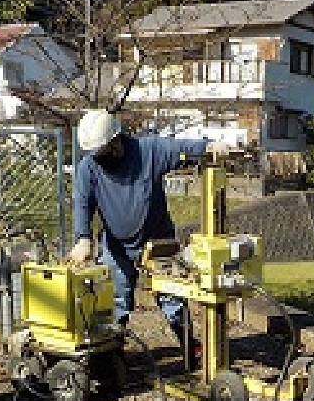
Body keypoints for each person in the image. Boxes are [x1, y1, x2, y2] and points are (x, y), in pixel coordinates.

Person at [67, 109, 208, 359]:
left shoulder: (148, 151)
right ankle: (112, 354)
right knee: (116, 301)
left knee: (172, 299)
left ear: (116, 140)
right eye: (95, 154)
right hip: (117, 246)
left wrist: (210, 147)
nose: (100, 159)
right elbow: (82, 204)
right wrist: (83, 238)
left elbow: (183, 148)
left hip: (158, 240)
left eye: (103, 152)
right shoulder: (88, 169)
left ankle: (190, 348)